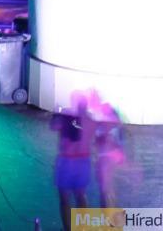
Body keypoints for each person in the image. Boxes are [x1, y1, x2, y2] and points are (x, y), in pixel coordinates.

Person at [51, 95, 95, 231]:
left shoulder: (66, 117)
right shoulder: (90, 119)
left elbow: (53, 126)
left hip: (66, 161)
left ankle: (68, 228)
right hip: (83, 161)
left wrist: (56, 114)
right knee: (81, 195)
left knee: (65, 197)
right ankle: (83, 228)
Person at [95, 102, 125, 207]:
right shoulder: (106, 127)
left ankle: (109, 213)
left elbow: (117, 145)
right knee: (107, 190)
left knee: (106, 190)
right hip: (106, 159)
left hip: (106, 159)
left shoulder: (112, 128)